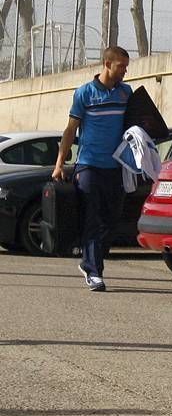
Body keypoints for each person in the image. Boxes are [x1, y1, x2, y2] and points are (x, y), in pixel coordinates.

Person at [52, 46, 132, 291]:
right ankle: (94, 271)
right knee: (93, 218)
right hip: (88, 166)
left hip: (116, 168)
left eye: (126, 67)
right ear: (107, 64)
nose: (125, 72)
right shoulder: (84, 93)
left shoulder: (126, 93)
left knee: (111, 218)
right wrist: (59, 164)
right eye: (121, 66)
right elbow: (70, 130)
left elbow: (137, 125)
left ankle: (90, 261)